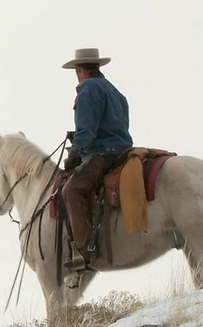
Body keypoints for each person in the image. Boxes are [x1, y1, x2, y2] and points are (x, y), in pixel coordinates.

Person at [61, 48, 134, 271]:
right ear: (97, 67)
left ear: (79, 69)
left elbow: (87, 130)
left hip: (102, 153)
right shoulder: (114, 90)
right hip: (122, 149)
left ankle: (84, 253)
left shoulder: (88, 89)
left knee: (71, 190)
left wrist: (74, 153)